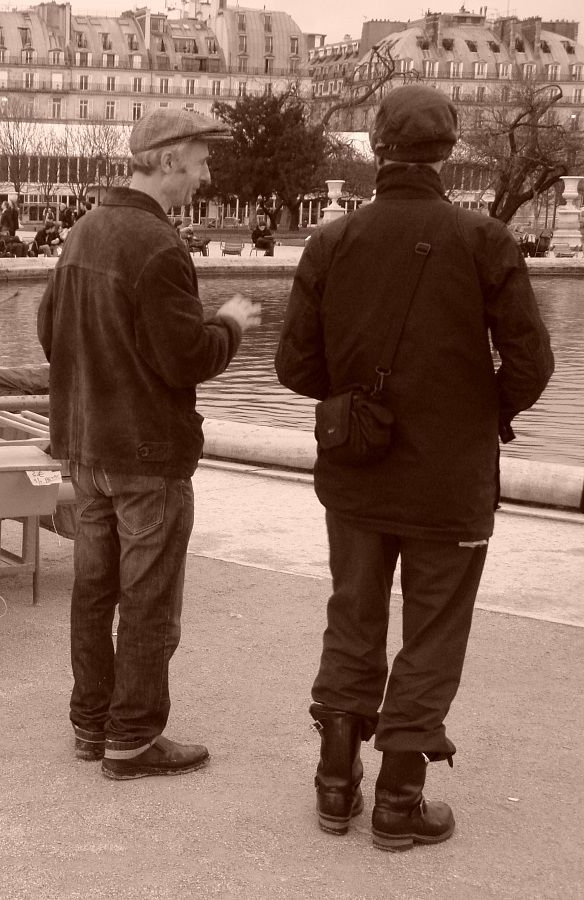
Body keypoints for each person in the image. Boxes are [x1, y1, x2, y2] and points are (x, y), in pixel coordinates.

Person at [275, 85, 554, 851]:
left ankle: (336, 784)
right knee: (433, 632)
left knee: (353, 615)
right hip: (449, 480)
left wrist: (357, 393)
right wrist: (482, 413)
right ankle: (400, 798)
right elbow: (534, 362)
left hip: (357, 469)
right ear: (451, 148)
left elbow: (295, 366)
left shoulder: (331, 242)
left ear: (373, 147)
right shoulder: (484, 239)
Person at [37, 107, 260, 781]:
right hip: (146, 456)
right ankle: (132, 738)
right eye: (200, 161)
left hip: (87, 447)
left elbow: (51, 335)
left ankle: (90, 722)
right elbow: (184, 359)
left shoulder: (84, 232)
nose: (206, 173)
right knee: (147, 600)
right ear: (166, 161)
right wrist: (227, 325)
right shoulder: (158, 246)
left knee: (93, 591)